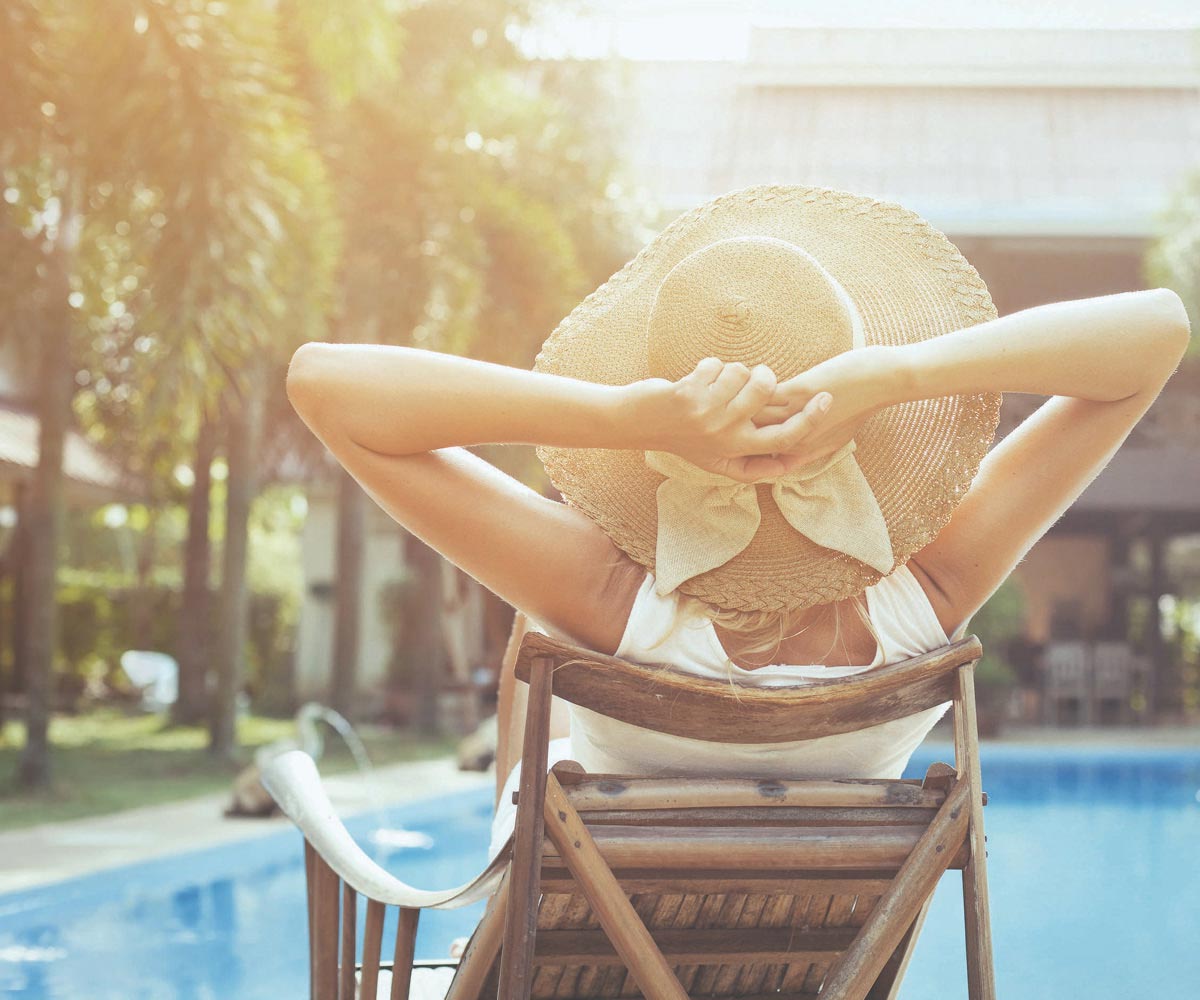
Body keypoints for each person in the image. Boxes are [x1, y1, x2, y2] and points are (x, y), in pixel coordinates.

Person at [285, 185, 1190, 860]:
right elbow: (1157, 330)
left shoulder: (606, 601)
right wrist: (897, 375)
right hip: (825, 963)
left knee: (536, 650)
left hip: (587, 953)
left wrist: (624, 417)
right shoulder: (931, 594)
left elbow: (324, 385)